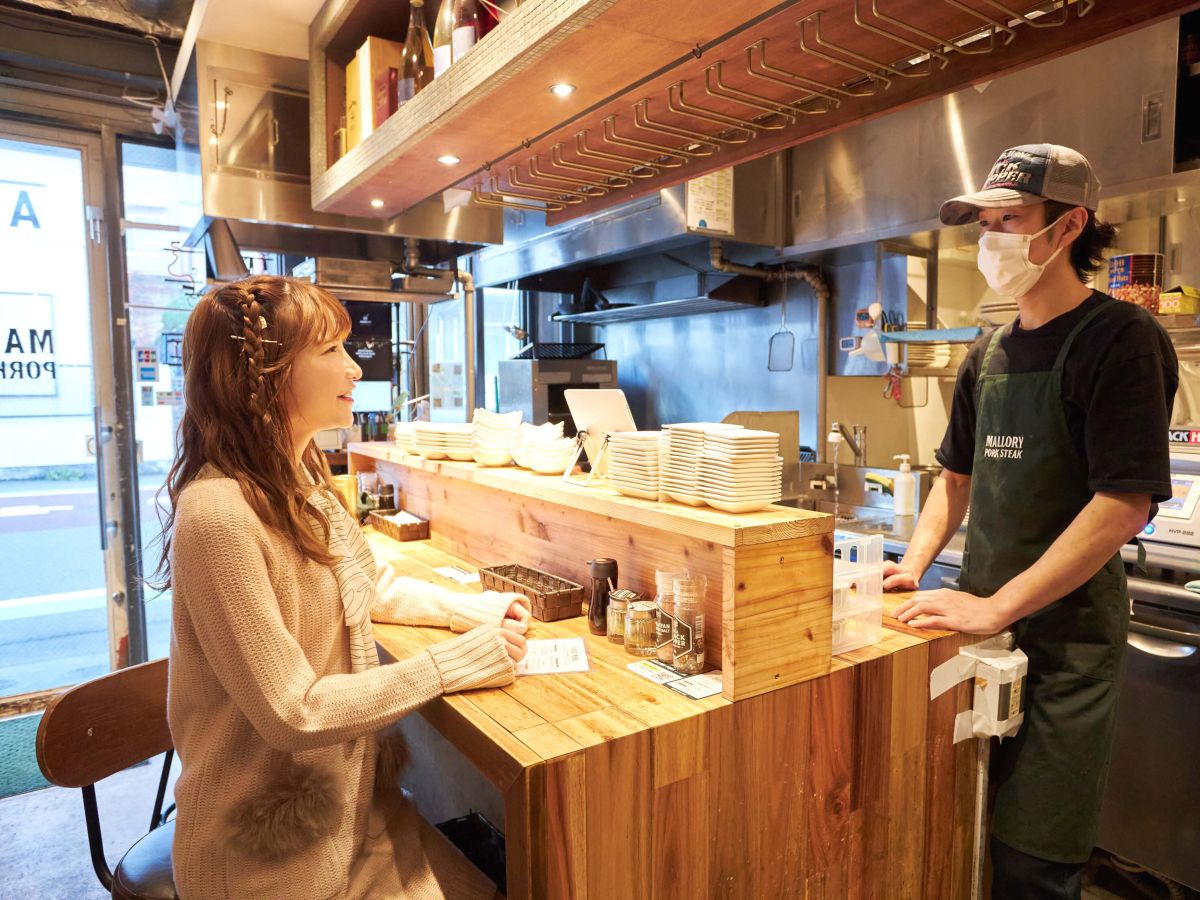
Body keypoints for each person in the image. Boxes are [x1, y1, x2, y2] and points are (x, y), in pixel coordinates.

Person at [155, 275, 532, 899]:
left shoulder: (300, 480)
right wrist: (452, 665)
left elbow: (367, 585)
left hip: (354, 816)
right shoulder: (218, 514)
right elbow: (295, 712)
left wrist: (471, 610)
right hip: (266, 852)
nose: (355, 369)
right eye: (330, 351)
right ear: (264, 375)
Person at [884, 144, 1178, 899]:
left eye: (1010, 220)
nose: (992, 240)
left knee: (1032, 861)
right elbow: (954, 480)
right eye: (984, 224)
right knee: (961, 831)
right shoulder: (987, 354)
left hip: (1064, 648)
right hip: (983, 635)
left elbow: (1123, 506)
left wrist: (998, 604)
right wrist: (914, 564)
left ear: (1069, 225)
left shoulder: (1121, 339)